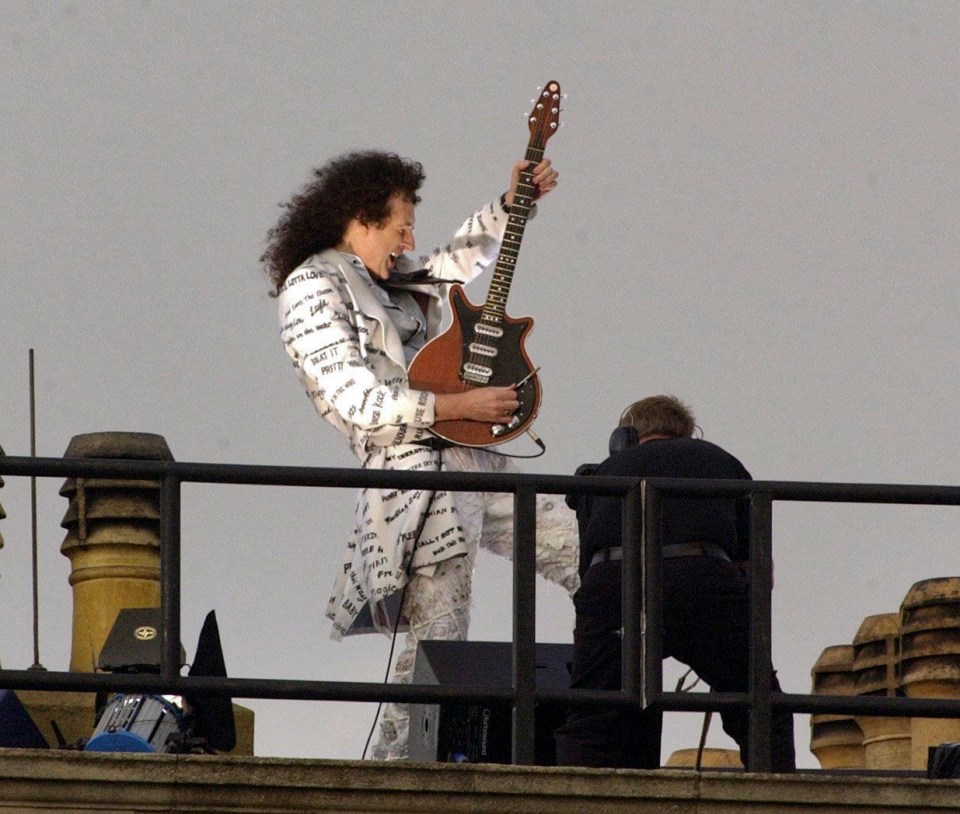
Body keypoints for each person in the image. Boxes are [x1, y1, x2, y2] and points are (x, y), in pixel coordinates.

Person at [261, 150, 580, 760]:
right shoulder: (312, 288)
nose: (410, 238)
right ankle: (398, 766)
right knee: (441, 635)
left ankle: (608, 693)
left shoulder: (386, 278)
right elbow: (355, 399)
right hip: (412, 479)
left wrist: (511, 206)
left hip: (468, 459)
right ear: (360, 218)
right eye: (400, 226)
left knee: (580, 547)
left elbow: (450, 264)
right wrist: (458, 407)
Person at [555, 395, 795, 771]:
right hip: (703, 577)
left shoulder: (604, 471)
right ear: (688, 434)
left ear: (627, 436)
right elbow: (754, 561)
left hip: (613, 582)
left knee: (591, 716)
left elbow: (587, 564)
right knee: (760, 709)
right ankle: (779, 798)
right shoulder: (722, 461)